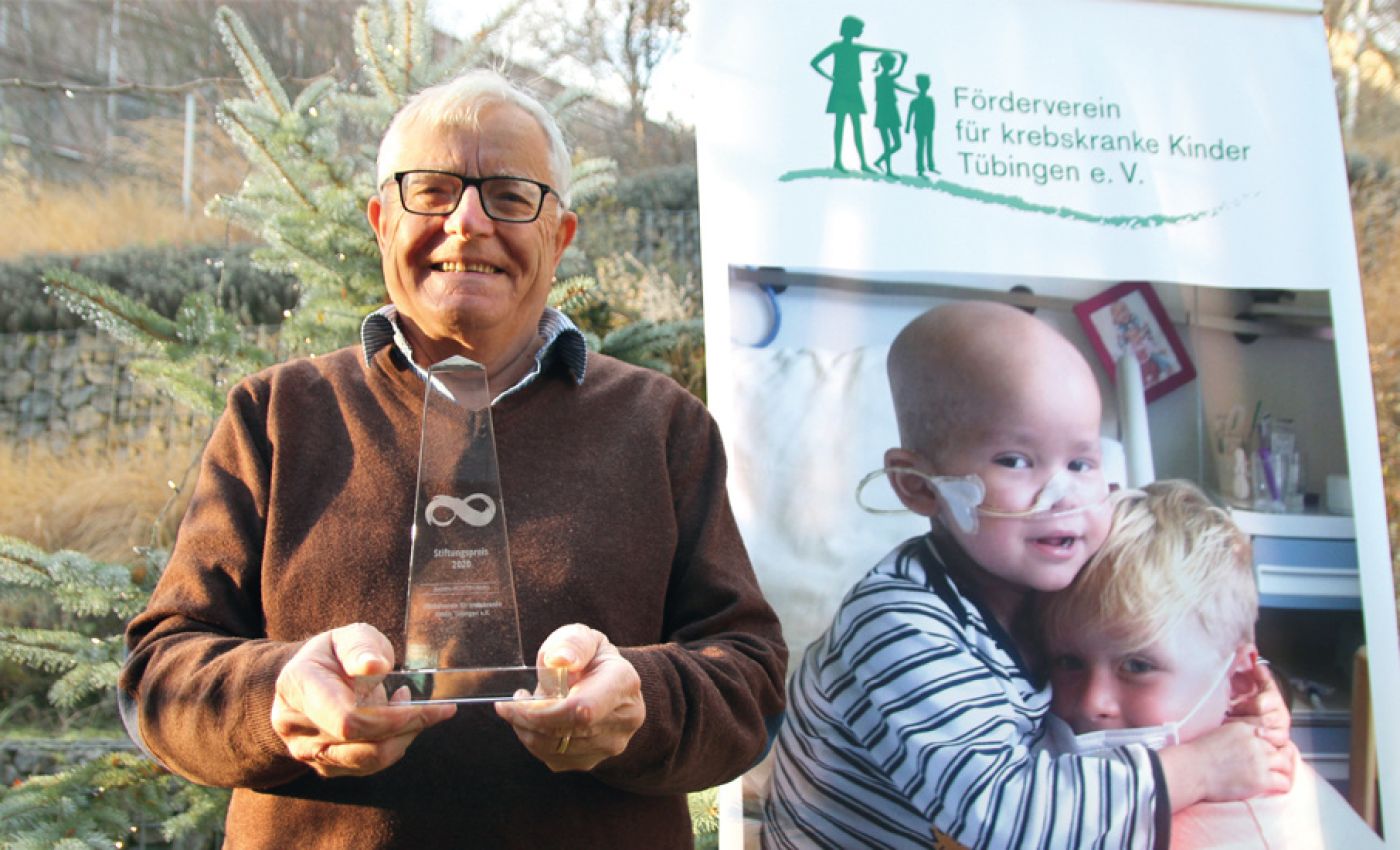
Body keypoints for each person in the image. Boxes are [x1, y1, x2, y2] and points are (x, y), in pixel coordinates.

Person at [118, 69, 787, 850]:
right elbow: (158, 673)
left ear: (560, 236)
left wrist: (645, 700)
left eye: (509, 195)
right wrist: (279, 699)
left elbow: (752, 678)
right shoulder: (276, 417)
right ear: (379, 222)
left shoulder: (662, 425)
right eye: (430, 190)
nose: (467, 223)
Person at [762, 301, 1293, 849]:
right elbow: (1004, 817)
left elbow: (1182, 639)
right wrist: (1200, 769)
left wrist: (1242, 705)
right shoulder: (899, 626)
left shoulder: (1044, 574)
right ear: (919, 485)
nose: (1061, 496)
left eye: (1081, 464)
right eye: (1017, 461)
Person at [1039, 480, 1381, 850]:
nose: (1092, 703)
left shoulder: (1213, 833)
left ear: (1238, 683)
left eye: (1137, 666)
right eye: (1069, 661)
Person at [810, 15, 898, 173]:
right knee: (841, 126)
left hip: (852, 88)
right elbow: (814, 62)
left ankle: (862, 162)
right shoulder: (838, 47)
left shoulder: (853, 48)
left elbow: (875, 49)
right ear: (851, 29)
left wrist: (895, 51)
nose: (861, 32)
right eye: (859, 29)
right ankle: (839, 160)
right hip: (842, 88)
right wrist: (829, 77)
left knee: (855, 126)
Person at [870, 50, 914, 176]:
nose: (893, 66)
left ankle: (879, 161)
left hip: (891, 111)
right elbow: (898, 75)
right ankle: (888, 170)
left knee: (897, 144)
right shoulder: (881, 78)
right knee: (888, 143)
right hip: (885, 111)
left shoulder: (887, 79)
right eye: (892, 63)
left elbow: (899, 87)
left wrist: (914, 92)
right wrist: (904, 63)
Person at [905, 73, 938, 177]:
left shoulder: (929, 100)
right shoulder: (915, 101)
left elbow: (933, 114)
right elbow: (910, 114)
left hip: (927, 126)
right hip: (919, 126)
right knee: (920, 146)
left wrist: (932, 125)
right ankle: (920, 167)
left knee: (928, 146)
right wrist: (907, 126)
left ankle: (930, 165)